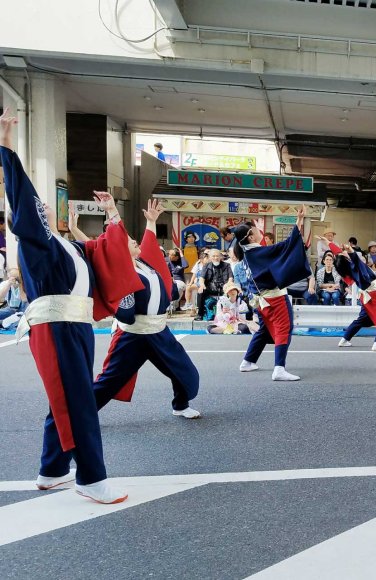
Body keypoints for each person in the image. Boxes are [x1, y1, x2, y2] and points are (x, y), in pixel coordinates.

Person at [2, 108, 144, 504]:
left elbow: (107, 252)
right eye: (38, 204)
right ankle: (91, 478)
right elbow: (23, 202)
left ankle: (51, 471)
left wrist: (113, 214)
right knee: (79, 400)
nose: (44, 204)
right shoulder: (37, 246)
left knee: (66, 395)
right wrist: (7, 149)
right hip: (57, 327)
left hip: (74, 327)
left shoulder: (68, 246)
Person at [90, 199, 201, 422]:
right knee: (109, 381)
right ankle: (79, 416)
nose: (134, 242)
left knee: (184, 372)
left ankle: (180, 404)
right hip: (135, 335)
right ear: (120, 247)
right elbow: (114, 239)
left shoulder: (143, 263)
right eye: (130, 241)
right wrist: (112, 210)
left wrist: (151, 222)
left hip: (159, 331)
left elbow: (148, 245)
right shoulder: (120, 270)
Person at [234, 208, 311, 381]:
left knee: (264, 331)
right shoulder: (259, 252)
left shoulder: (247, 254)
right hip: (274, 298)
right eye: (255, 230)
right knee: (284, 328)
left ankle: (248, 361)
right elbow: (286, 245)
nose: (259, 231)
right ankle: (279, 369)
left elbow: (273, 249)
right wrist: (299, 220)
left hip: (261, 300)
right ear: (251, 237)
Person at [330, 241, 376, 351]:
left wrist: (328, 243)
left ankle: (345, 339)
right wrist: (350, 249)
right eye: (344, 254)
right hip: (373, 294)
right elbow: (355, 259)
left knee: (364, 319)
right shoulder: (354, 267)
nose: (343, 253)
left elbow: (339, 255)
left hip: (365, 296)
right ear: (347, 260)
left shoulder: (343, 269)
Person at [196, 249, 233, 321]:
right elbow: (201, 278)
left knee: (232, 291)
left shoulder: (227, 265)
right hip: (210, 287)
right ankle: (200, 314)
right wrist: (202, 285)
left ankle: (230, 313)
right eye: (213, 256)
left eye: (217, 256)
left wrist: (228, 285)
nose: (216, 258)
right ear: (210, 257)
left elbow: (230, 278)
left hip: (224, 287)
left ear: (220, 257)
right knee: (200, 291)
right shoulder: (206, 266)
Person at [0, 267, 28, 331]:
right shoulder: (5, 284)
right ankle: (6, 322)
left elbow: (25, 299)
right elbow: (1, 297)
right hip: (10, 309)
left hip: (23, 310)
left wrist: (21, 285)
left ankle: (6, 323)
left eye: (17, 277)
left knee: (24, 319)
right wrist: (9, 284)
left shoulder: (25, 283)